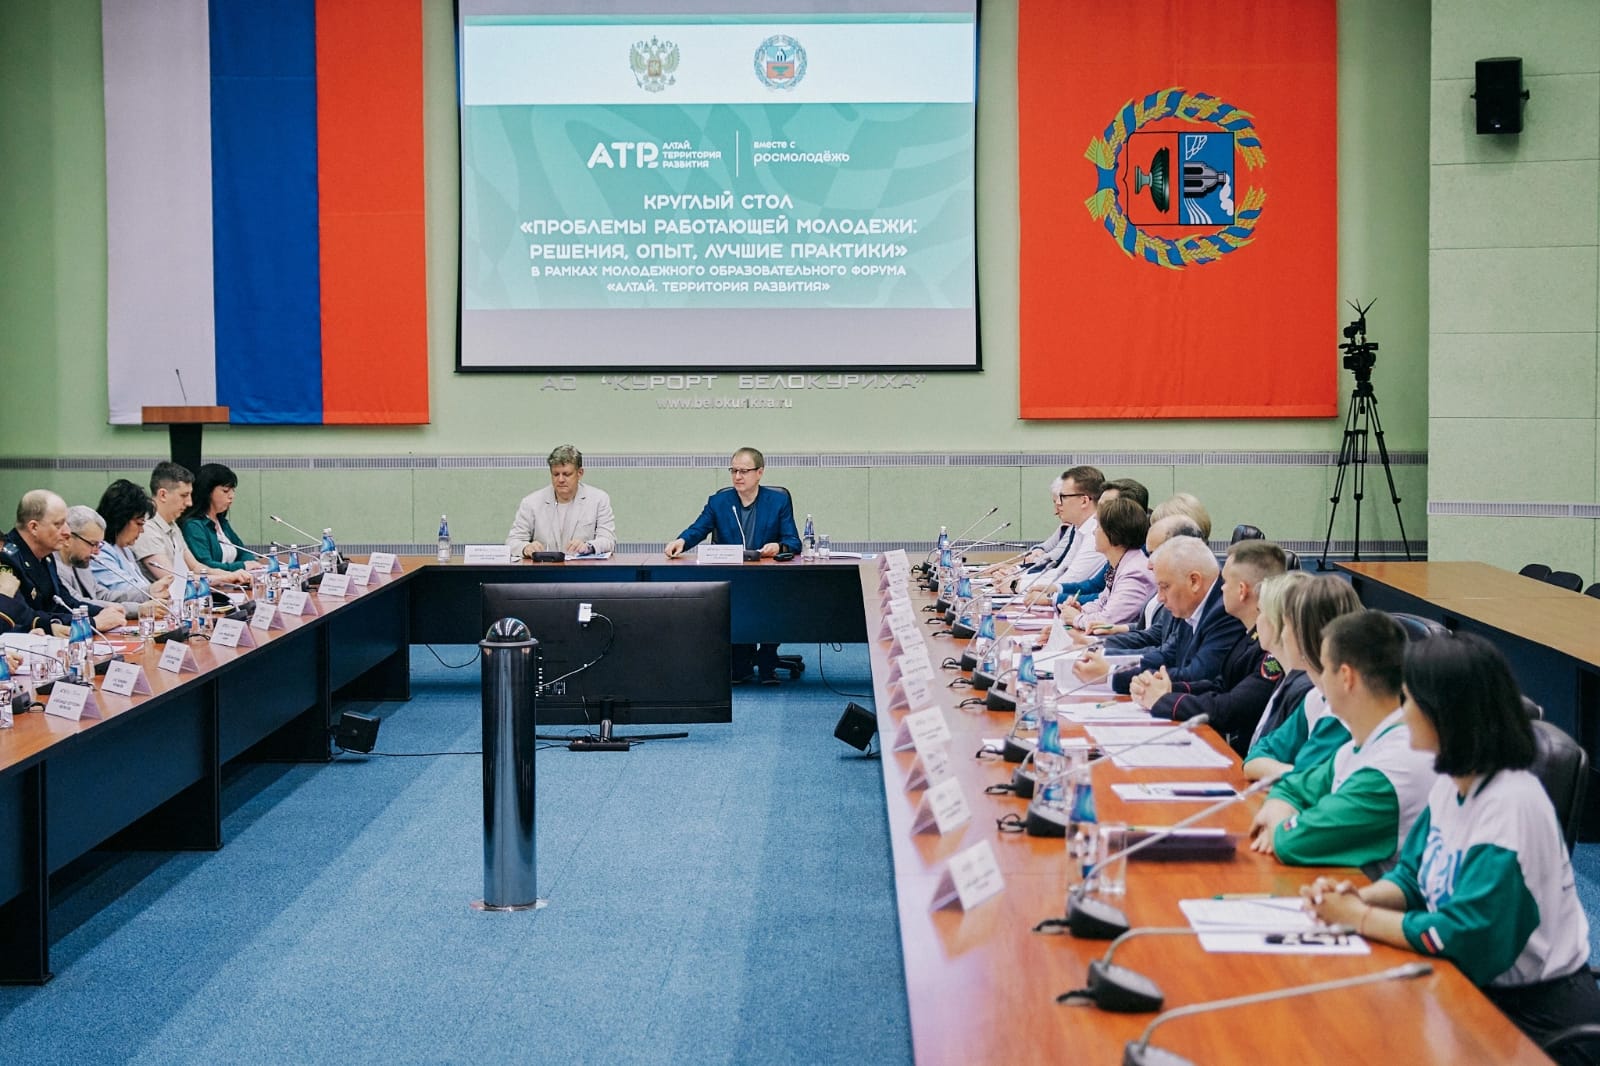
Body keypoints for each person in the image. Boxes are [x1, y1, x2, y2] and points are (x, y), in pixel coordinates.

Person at [1303, 634, 1600, 1063]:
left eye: (1410, 701)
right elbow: (1411, 877)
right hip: (1468, 988)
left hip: (1537, 1024)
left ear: (1445, 712)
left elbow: (1461, 936)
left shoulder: (1511, 805)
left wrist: (1361, 918)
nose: (1402, 714)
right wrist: (1355, 897)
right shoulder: (1452, 780)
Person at [1249, 610, 1435, 875]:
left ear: (1346, 677)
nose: (1319, 680)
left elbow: (1295, 840)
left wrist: (1279, 825)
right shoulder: (1361, 745)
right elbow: (1292, 787)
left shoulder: (1391, 767)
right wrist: (1281, 808)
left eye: (1325, 669)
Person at [1130, 540, 1289, 755]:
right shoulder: (1248, 636)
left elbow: (1231, 708)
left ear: (1241, 590)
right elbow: (1219, 685)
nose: (1221, 587)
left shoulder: (1272, 649)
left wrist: (1164, 700)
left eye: (1225, 582)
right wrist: (1168, 689)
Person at [664, 447, 800, 684]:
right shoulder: (719, 501)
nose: (738, 476)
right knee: (734, 602)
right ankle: (741, 661)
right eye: (734, 470)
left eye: (744, 471)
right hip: (734, 577)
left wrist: (778, 548)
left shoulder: (778, 500)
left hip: (769, 577)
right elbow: (698, 529)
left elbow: (793, 541)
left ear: (759, 473)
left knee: (773, 596)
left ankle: (767, 658)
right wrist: (681, 541)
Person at [1071, 534, 1244, 693]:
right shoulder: (1193, 604)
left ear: (1194, 581)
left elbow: (1197, 675)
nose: (1160, 598)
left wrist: (1112, 674)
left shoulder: (1224, 612)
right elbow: (1166, 655)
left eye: (1165, 587)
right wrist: (1105, 658)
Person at [1242, 574, 1359, 780]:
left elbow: (1301, 788)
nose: (1283, 634)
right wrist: (1296, 774)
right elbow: (1255, 757)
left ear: (1303, 634)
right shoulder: (1315, 696)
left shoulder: (1340, 711)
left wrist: (1296, 776)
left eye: (1286, 625)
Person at [1, 490, 124, 630]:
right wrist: (91, 623)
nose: (67, 532)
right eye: (58, 524)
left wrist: (101, 612)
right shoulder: (6, 559)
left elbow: (63, 601)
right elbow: (26, 618)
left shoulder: (46, 555)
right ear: (34, 527)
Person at [132, 462, 247, 587]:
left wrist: (229, 575)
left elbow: (196, 567)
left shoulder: (172, 525)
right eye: (184, 495)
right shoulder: (146, 528)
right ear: (163, 494)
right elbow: (174, 580)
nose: (189, 503)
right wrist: (224, 579)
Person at [1056, 496, 1154, 632]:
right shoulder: (1123, 563)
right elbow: (1102, 603)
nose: (1093, 532)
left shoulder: (1135, 572)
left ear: (1114, 533)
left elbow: (1107, 621)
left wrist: (1076, 618)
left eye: (1098, 527)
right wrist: (1080, 609)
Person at [1013, 466, 1108, 602]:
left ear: (1084, 501)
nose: (1058, 503)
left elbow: (1072, 580)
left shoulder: (1097, 532)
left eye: (1063, 497)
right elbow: (1061, 572)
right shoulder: (1079, 528)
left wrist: (1017, 585)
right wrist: (1018, 579)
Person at [506, 444, 617, 559]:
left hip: (583, 571)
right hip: (544, 572)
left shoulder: (598, 499)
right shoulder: (531, 502)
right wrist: (525, 548)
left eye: (566, 474)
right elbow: (512, 542)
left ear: (580, 473)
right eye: (555, 474)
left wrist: (588, 546)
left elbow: (608, 541)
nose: (560, 480)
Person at [89, 479, 174, 606]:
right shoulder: (99, 553)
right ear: (121, 518)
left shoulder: (125, 550)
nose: (142, 530)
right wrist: (152, 591)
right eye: (139, 523)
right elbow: (123, 592)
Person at [181, 463, 264, 573]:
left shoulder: (221, 522)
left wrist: (251, 564)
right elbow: (205, 566)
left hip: (232, 583)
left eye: (232, 490)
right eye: (225, 491)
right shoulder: (193, 526)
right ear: (207, 492)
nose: (231, 496)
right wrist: (242, 566)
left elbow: (243, 552)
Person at [53, 505, 121, 611]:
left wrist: (148, 593)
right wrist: (133, 609)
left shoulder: (80, 562)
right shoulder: (53, 567)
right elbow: (78, 603)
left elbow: (103, 596)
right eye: (93, 544)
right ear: (68, 538)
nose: (97, 552)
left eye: (99, 545)